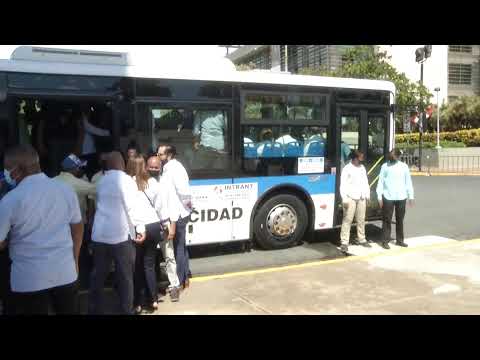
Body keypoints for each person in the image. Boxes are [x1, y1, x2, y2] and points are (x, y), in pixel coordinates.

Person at [0, 145, 83, 315]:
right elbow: (77, 227)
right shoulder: (65, 189)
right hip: (65, 273)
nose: (5, 173)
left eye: (7, 169)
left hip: (29, 280)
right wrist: (74, 259)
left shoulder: (10, 200)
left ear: (17, 170)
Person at [89, 151, 145, 315]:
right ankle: (126, 310)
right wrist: (140, 228)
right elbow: (132, 207)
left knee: (98, 275)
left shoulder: (100, 181)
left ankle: (94, 309)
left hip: (99, 235)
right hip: (120, 236)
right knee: (125, 277)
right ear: (120, 163)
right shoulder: (126, 181)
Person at [157, 144, 192, 290]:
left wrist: (187, 206)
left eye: (160, 154)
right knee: (181, 246)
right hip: (179, 212)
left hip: (178, 214)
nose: (158, 157)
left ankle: (180, 279)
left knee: (177, 247)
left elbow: (183, 191)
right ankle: (185, 277)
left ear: (169, 155)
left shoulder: (173, 168)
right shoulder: (169, 168)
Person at [146, 155, 181, 299]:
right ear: (147, 167)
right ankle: (153, 289)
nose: (154, 169)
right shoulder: (143, 183)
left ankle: (174, 286)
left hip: (165, 224)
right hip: (148, 225)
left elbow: (173, 204)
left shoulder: (166, 182)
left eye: (156, 167)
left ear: (161, 167)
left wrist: (172, 225)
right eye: (151, 167)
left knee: (169, 257)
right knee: (149, 259)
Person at [376, 148, 414, 250]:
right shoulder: (385, 166)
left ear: (398, 157)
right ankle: (385, 241)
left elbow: (408, 182)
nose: (391, 159)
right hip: (388, 197)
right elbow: (380, 183)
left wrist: (411, 196)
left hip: (401, 197)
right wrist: (379, 197)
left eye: (393, 157)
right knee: (387, 220)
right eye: (390, 157)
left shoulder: (404, 167)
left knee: (400, 220)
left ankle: (400, 240)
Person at [339, 150, 372, 253]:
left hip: (361, 197)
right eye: (360, 158)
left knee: (361, 220)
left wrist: (367, 195)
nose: (361, 159)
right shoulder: (347, 169)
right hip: (350, 197)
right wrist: (344, 198)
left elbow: (365, 182)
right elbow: (343, 184)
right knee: (347, 220)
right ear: (354, 158)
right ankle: (344, 242)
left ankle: (362, 239)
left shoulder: (362, 168)